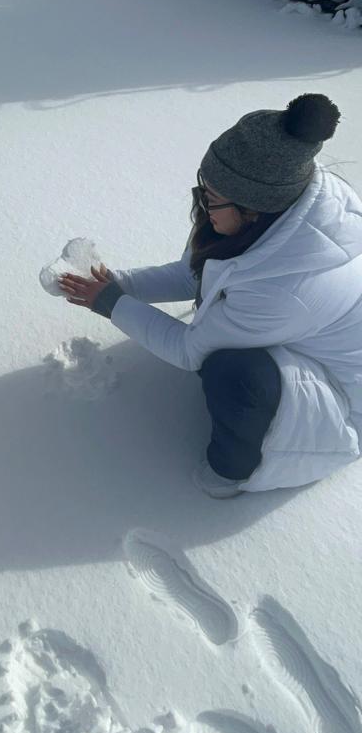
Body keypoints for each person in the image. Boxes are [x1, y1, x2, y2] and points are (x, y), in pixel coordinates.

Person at [59, 93, 362, 498]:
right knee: (225, 343)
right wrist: (119, 283)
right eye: (203, 188)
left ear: (255, 208)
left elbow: (189, 351)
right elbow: (194, 277)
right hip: (305, 338)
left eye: (212, 198)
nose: (202, 206)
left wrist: (110, 302)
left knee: (234, 374)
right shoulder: (272, 213)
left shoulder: (286, 289)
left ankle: (235, 471)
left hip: (340, 402)